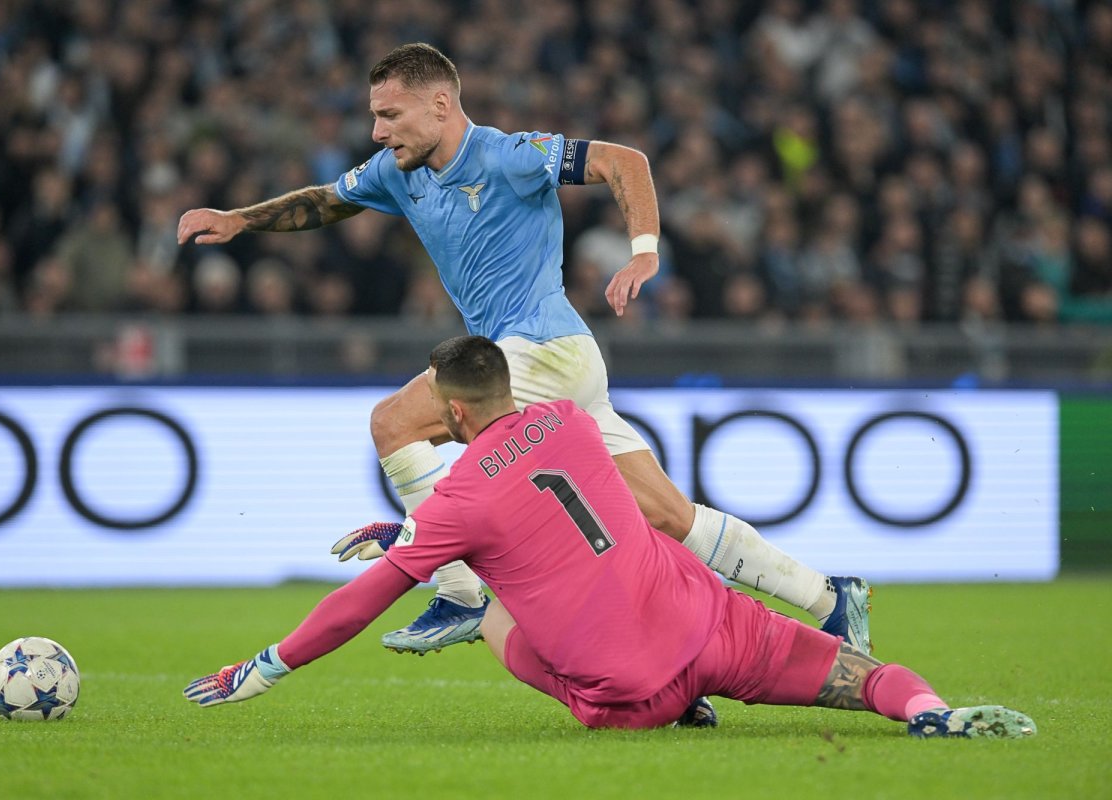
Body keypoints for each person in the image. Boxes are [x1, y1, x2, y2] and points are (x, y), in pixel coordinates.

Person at [177, 42, 871, 655]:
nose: (377, 130)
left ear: (441, 105)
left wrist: (643, 253)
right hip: (556, 362)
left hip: (540, 348)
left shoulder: (509, 156)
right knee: (663, 514)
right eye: (375, 116)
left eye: (390, 115)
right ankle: (829, 598)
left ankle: (459, 590)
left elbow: (623, 161)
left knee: (393, 423)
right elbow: (330, 200)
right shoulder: (397, 171)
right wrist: (241, 220)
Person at [183, 335, 1036, 741]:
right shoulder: (567, 422)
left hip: (631, 693)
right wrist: (420, 530)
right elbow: (539, 500)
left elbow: (363, 601)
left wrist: (264, 666)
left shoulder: (458, 503)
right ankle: (934, 715)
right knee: (868, 677)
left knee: (486, 616)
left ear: (448, 413)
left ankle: (676, 707)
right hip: (717, 625)